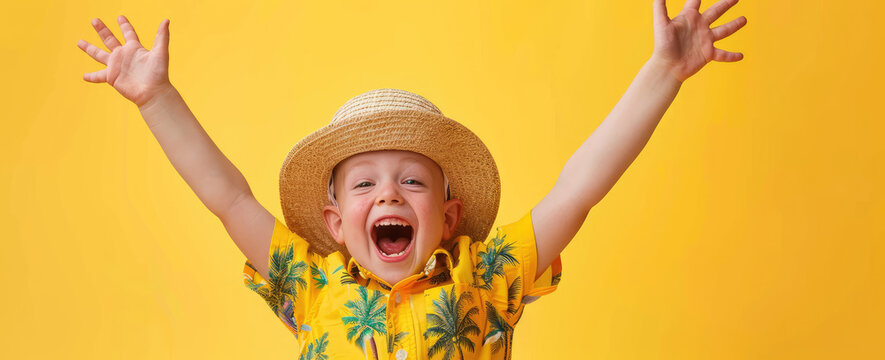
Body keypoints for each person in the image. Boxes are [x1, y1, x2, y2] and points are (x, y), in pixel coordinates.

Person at [76, 1, 746, 359]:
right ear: (335, 223)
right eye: (363, 186)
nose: (388, 195)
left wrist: (660, 75)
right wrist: (157, 99)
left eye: (411, 184)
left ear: (450, 218)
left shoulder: (485, 277)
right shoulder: (311, 285)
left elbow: (579, 189)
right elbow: (227, 198)